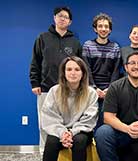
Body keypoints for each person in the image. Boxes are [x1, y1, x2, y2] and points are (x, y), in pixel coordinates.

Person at [29, 6, 82, 154]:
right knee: (44, 123)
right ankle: (44, 153)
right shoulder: (42, 38)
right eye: (60, 16)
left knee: (66, 123)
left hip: (69, 90)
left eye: (66, 17)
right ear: (54, 18)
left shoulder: (75, 42)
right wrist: (35, 82)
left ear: (70, 21)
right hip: (45, 88)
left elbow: (81, 66)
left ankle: (63, 153)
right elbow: (35, 61)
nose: (62, 18)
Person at [41, 56, 99, 161]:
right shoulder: (54, 91)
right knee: (52, 141)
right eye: (69, 69)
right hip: (60, 132)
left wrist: (72, 132)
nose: (73, 73)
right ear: (64, 73)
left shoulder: (91, 93)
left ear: (83, 73)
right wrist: (63, 133)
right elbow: (50, 117)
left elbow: (89, 120)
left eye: (77, 69)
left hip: (81, 132)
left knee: (79, 140)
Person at [82, 13, 121, 130]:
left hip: (110, 89)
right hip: (91, 88)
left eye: (106, 26)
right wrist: (94, 88)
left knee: (107, 120)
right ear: (95, 28)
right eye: (100, 26)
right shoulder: (88, 45)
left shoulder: (115, 47)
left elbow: (116, 70)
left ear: (110, 30)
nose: (103, 29)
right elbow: (86, 69)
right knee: (90, 121)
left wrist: (110, 88)